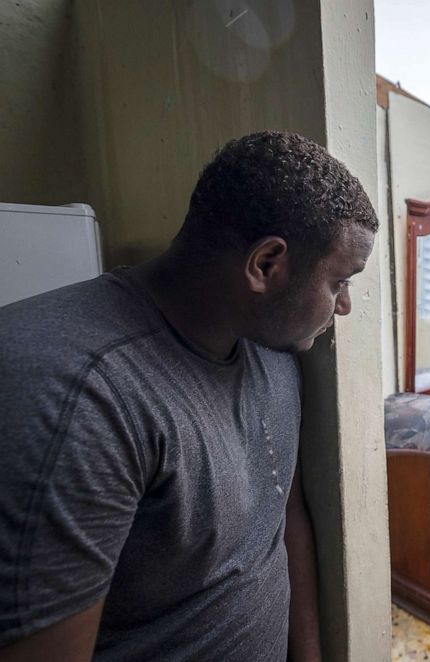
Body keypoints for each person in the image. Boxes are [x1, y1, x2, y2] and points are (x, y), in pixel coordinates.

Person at [0, 131, 378, 661]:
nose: (343, 308)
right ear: (266, 264)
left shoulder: (273, 350)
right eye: (340, 282)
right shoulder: (80, 396)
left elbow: (283, 518)